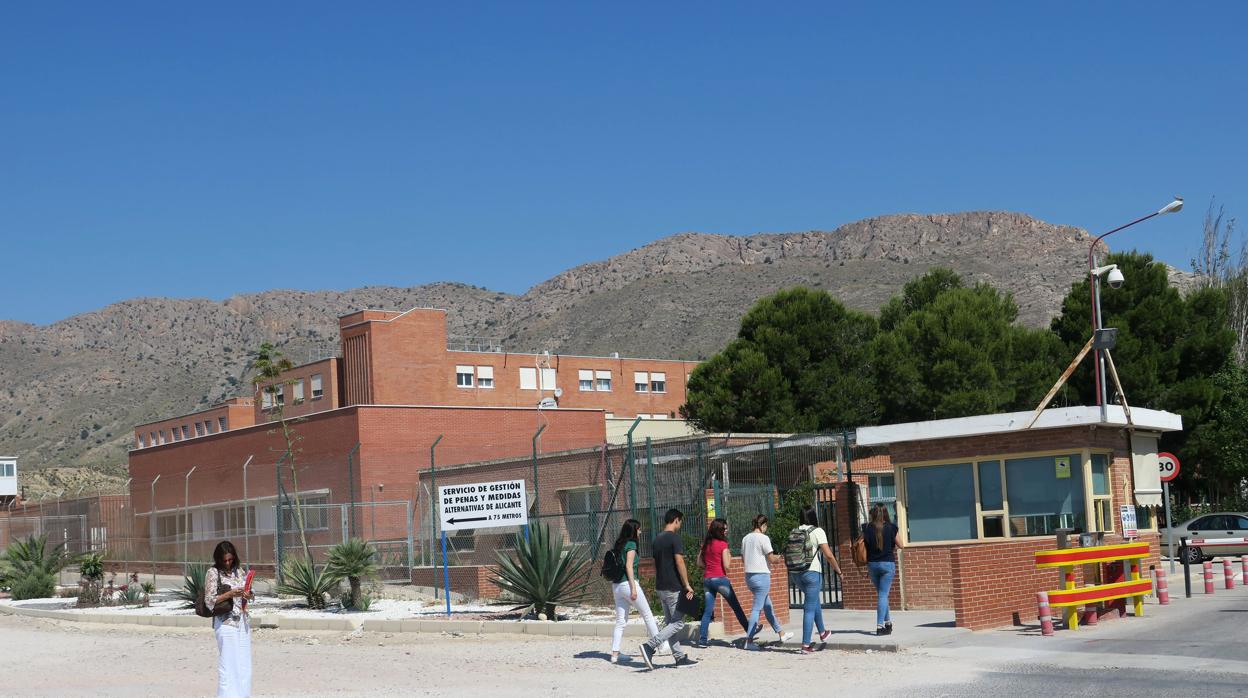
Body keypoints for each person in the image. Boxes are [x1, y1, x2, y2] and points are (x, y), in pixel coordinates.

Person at [638, 508, 698, 669]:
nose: (680, 524)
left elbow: (655, 563)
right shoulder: (674, 538)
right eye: (680, 521)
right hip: (673, 587)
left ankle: (679, 658)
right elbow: (679, 562)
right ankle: (650, 645)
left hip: (661, 586)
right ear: (676, 519)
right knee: (677, 624)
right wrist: (687, 585)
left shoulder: (657, 539)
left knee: (671, 624)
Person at [609, 519, 662, 664]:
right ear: (633, 531)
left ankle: (615, 654)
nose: (640, 531)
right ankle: (661, 645)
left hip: (616, 586)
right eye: (638, 529)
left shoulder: (619, 544)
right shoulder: (631, 544)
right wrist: (633, 588)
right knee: (647, 614)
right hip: (628, 584)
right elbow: (629, 566)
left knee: (620, 621)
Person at [206, 540, 254, 698]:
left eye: (230, 559)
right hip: (226, 623)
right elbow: (209, 600)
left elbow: (250, 594)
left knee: (244, 664)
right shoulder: (213, 572)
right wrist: (229, 594)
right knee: (228, 664)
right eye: (224, 560)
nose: (227, 563)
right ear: (219, 559)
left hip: (242, 621)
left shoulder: (239, 571)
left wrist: (248, 595)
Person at [793, 505, 842, 655]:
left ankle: (823, 632)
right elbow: (828, 555)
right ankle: (806, 645)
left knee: (813, 603)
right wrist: (838, 570)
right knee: (809, 609)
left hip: (796, 573)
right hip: (812, 573)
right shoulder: (817, 531)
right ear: (813, 516)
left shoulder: (795, 531)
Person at [741, 514, 794, 649]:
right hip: (762, 577)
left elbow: (744, 559)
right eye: (766, 526)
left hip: (749, 577)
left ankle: (781, 633)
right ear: (763, 525)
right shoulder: (764, 538)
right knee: (757, 609)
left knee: (768, 607)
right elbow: (771, 559)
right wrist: (780, 557)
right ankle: (749, 641)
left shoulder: (745, 538)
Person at [696, 518, 749, 647]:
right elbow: (727, 565)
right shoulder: (722, 545)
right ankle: (750, 631)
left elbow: (699, 563)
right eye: (725, 528)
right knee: (736, 607)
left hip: (708, 579)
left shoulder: (706, 544)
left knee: (708, 611)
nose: (727, 530)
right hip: (720, 579)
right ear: (719, 530)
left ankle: (702, 640)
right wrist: (728, 553)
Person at [863, 503, 903, 636]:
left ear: (873, 514)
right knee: (883, 595)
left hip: (872, 564)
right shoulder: (891, 527)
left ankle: (888, 623)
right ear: (886, 513)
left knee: (882, 595)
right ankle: (880, 626)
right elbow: (901, 545)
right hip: (887, 564)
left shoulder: (867, 528)